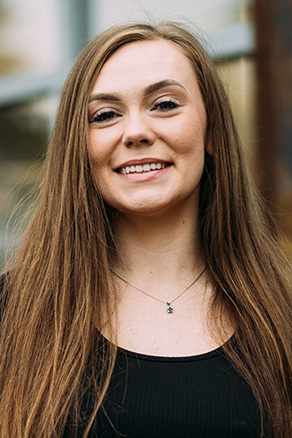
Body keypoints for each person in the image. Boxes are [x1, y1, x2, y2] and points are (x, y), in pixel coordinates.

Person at [0, 21, 291, 438]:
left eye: (165, 104)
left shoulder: (279, 319)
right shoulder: (11, 316)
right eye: (105, 115)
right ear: (78, 147)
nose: (135, 132)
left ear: (211, 131)